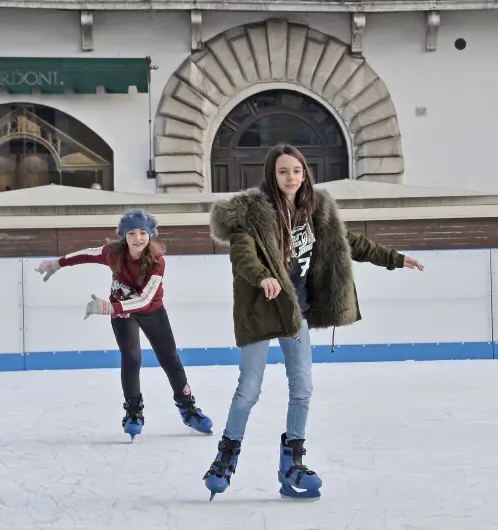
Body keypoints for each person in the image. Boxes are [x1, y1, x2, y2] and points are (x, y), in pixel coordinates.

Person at [202, 144, 425, 501]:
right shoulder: (252, 213)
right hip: (261, 310)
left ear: (304, 173)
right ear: (271, 175)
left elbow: (350, 242)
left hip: (294, 313)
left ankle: (292, 462)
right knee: (249, 390)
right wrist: (262, 277)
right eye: (282, 171)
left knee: (302, 389)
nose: (290, 178)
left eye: (296, 171)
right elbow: (242, 252)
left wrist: (396, 259)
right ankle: (225, 457)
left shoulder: (316, 211)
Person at [34, 209, 213, 441]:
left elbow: (145, 299)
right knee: (131, 357)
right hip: (123, 313)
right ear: (123, 235)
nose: (138, 238)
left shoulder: (157, 261)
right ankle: (133, 412)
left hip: (151, 310)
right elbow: (87, 254)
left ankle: (188, 409)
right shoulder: (113, 253)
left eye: (142, 232)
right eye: (131, 233)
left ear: (151, 234)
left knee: (170, 358)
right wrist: (57, 263)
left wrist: (110, 308)